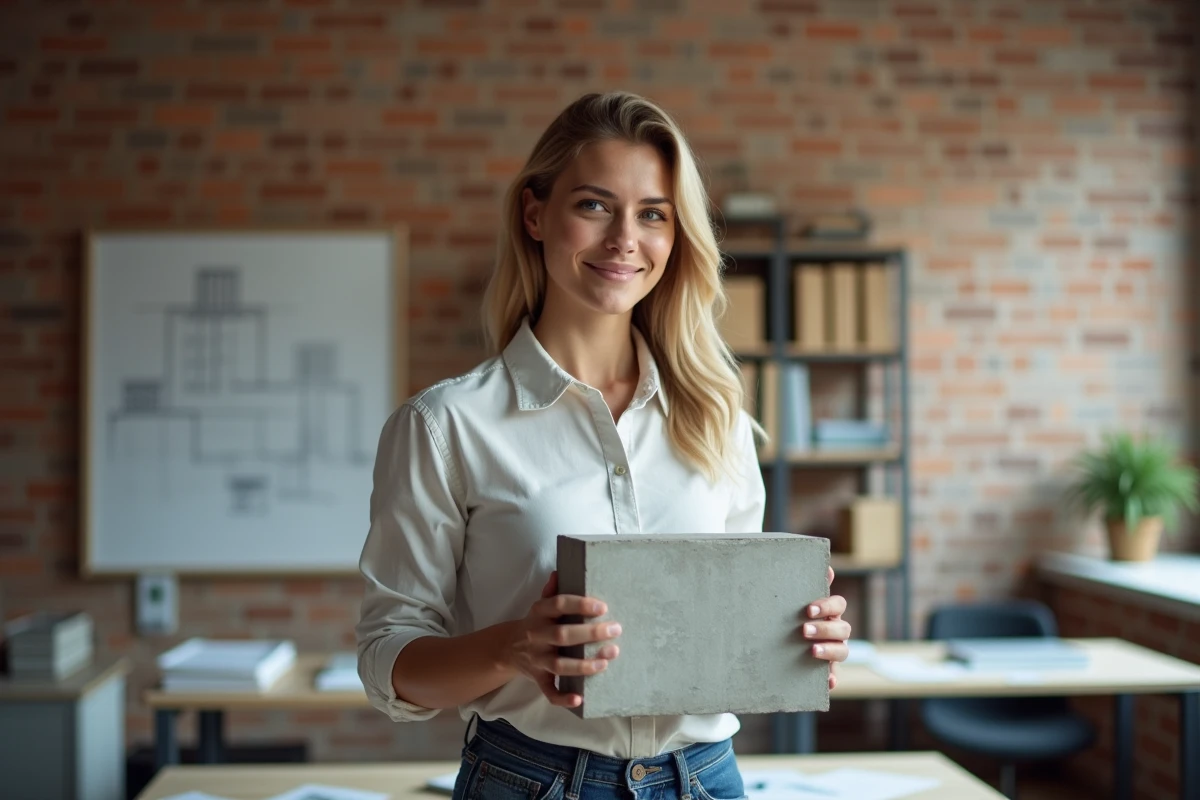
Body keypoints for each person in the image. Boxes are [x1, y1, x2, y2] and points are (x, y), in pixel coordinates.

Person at [356, 91, 851, 800]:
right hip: (531, 780)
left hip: (707, 778)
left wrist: (799, 640)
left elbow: (731, 641)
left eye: (653, 213)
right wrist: (512, 648)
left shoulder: (719, 417)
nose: (625, 238)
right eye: (594, 206)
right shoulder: (445, 426)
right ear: (535, 214)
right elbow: (387, 660)